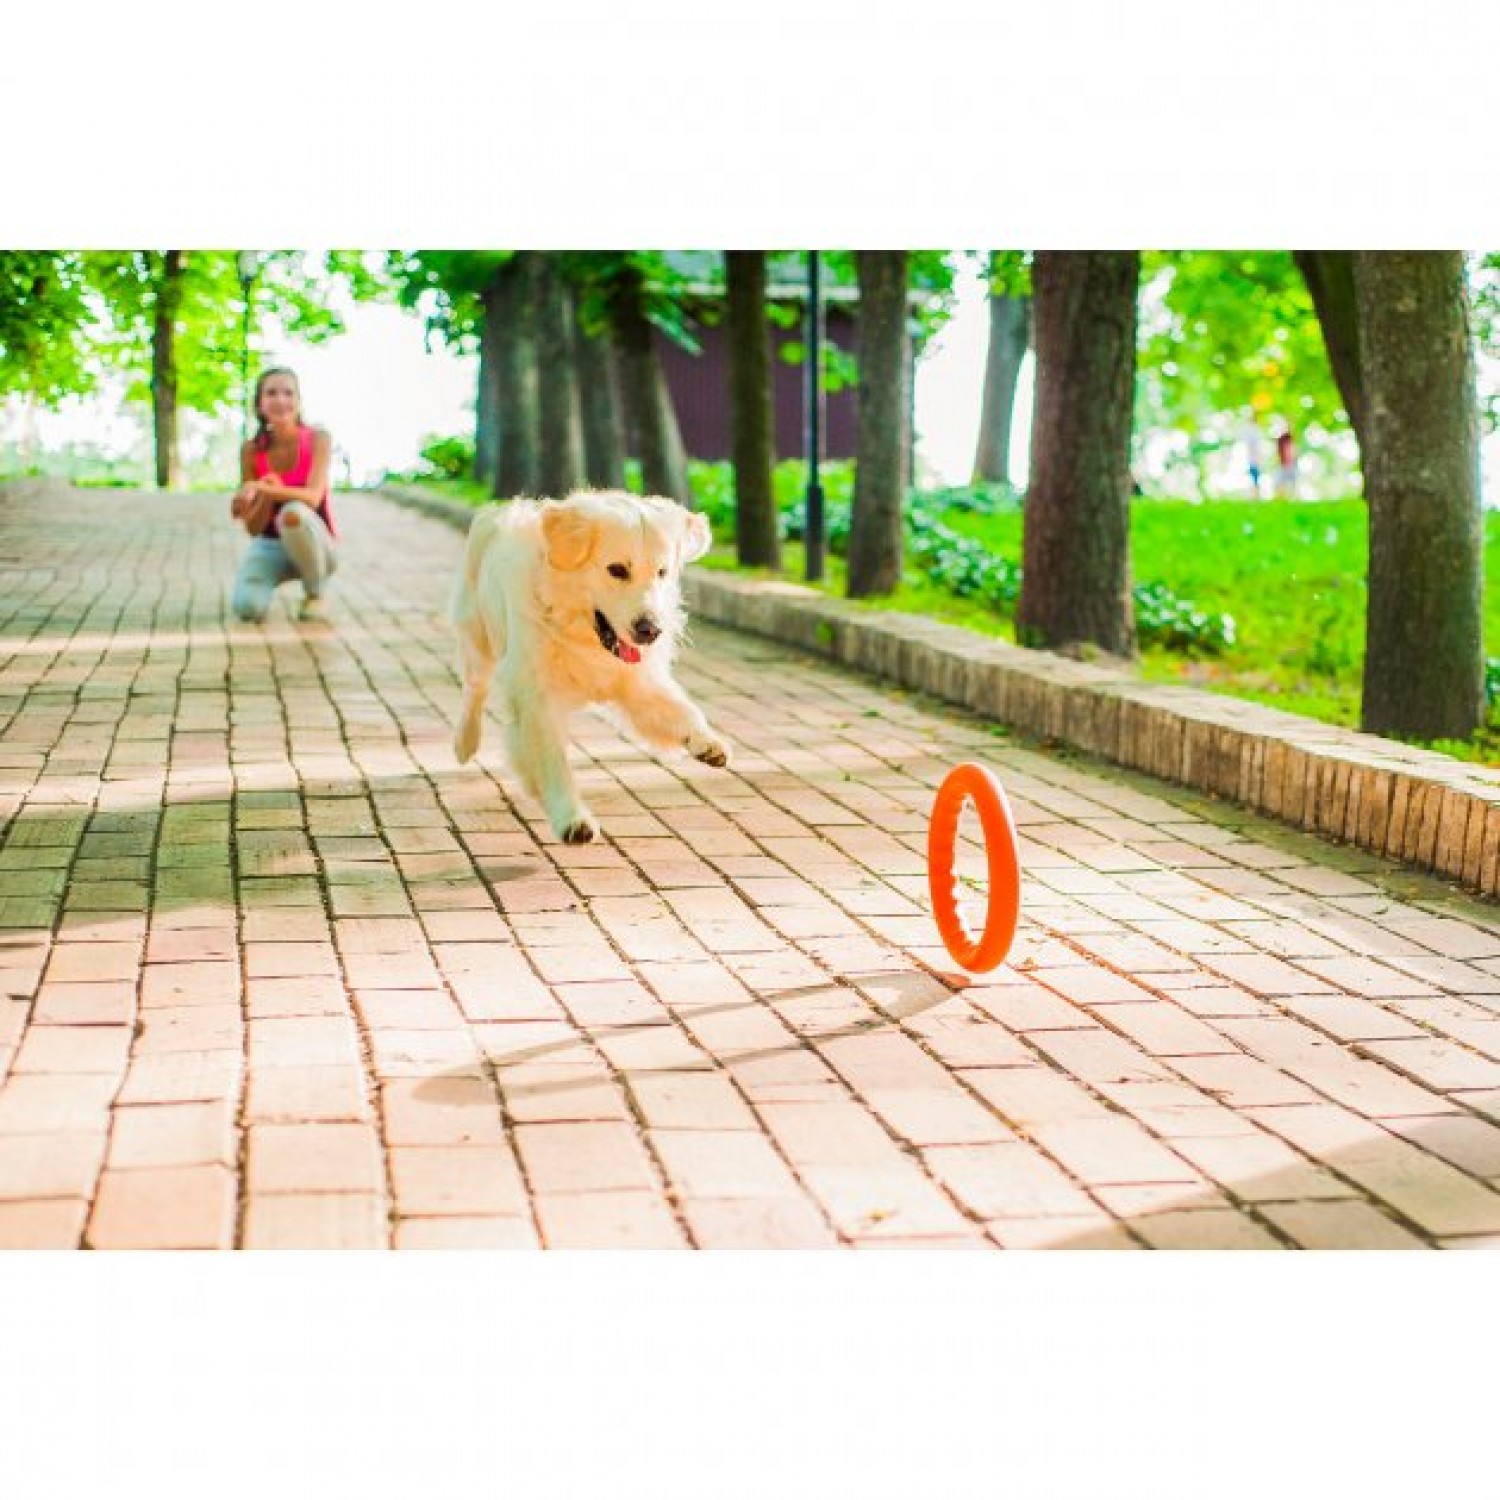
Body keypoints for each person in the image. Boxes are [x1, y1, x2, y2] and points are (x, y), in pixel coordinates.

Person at [230, 367, 338, 622]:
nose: (280, 400)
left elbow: (312, 498)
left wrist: (266, 488)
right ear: (259, 404)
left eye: (288, 393)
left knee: (293, 514)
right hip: (270, 546)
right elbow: (253, 529)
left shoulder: (318, 439)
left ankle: (315, 594)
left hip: (316, 547)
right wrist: (265, 496)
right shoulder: (251, 450)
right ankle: (268, 584)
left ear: (299, 401)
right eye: (271, 393)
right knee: (247, 608)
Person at [1239, 413, 1265, 498]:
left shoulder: (1255, 429)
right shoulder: (1252, 429)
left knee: (1255, 476)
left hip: (1254, 457)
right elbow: (1251, 443)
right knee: (1254, 475)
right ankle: (1254, 494)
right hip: (1252, 457)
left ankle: (1255, 494)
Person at [1274, 424, 1298, 498]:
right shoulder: (1281, 441)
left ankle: (1291, 497)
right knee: (1280, 484)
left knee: (1292, 486)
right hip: (1283, 466)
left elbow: (1294, 453)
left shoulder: (1291, 442)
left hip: (1291, 466)